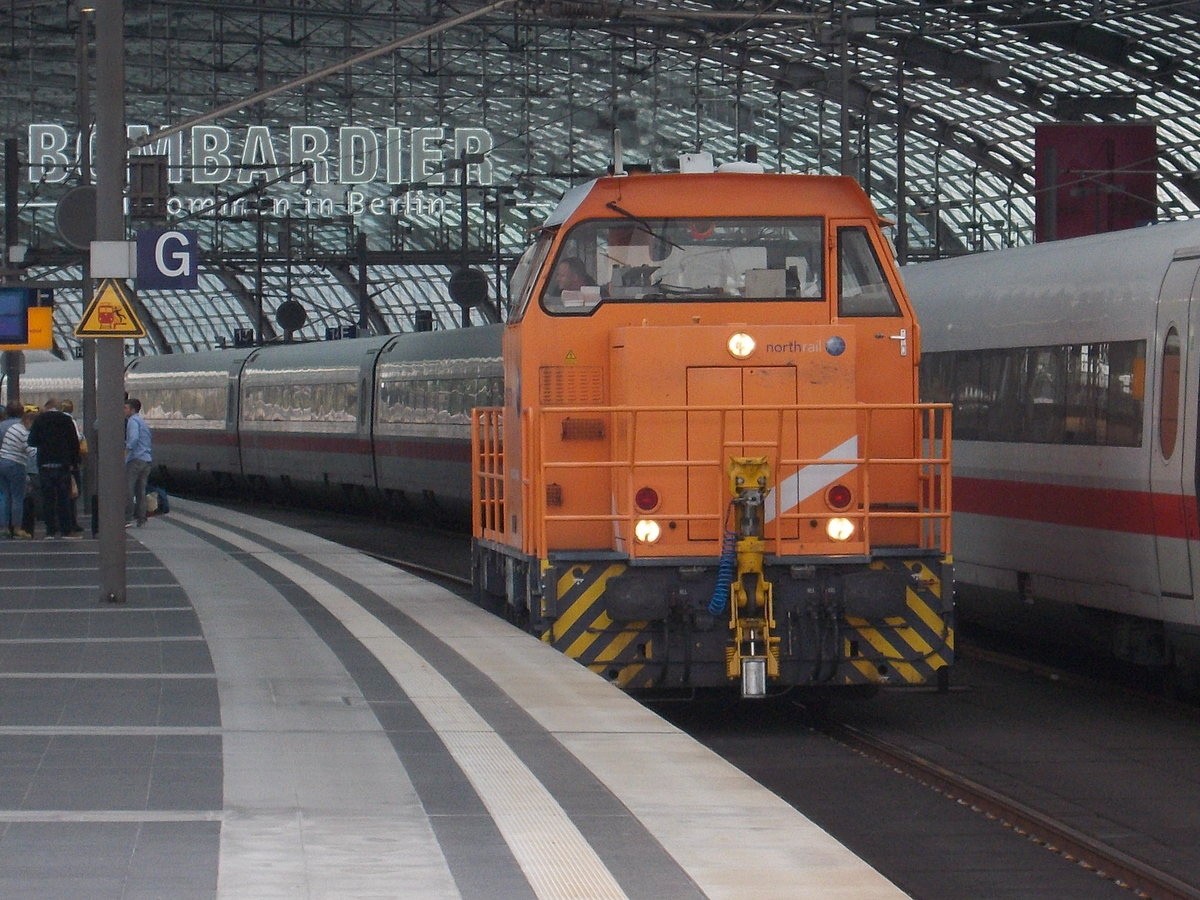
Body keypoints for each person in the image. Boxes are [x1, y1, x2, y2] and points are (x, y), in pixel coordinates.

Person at [27, 398, 82, 540]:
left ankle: (50, 531)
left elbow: (31, 440)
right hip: (63, 464)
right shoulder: (66, 420)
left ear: (47, 407)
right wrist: (74, 462)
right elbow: (74, 442)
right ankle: (66, 530)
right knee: (64, 498)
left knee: (48, 499)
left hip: (45, 463)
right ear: (58, 407)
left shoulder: (40, 420)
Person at [0, 401, 32, 539]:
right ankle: (17, 528)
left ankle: (4, 528)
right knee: (17, 497)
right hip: (16, 462)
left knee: (4, 496)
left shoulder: (1, 426)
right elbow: (29, 448)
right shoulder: (21, 428)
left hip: (2, 461)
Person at [124, 397, 153, 527]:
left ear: (132, 410)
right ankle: (142, 517)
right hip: (146, 460)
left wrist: (126, 452)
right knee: (141, 490)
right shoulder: (142, 422)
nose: (124, 410)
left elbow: (133, 439)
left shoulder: (132, 421)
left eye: (125, 408)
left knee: (128, 489)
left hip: (135, 460)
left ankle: (127, 518)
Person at [59, 398, 85, 535]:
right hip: (71, 462)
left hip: (59, 460)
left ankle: (61, 522)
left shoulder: (56, 420)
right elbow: (77, 438)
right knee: (73, 492)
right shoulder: (71, 421)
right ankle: (72, 522)